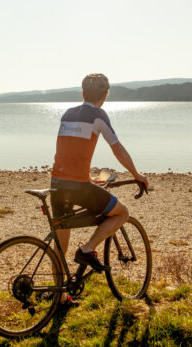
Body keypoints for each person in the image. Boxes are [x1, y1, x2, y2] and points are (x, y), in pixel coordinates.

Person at [50, 73, 149, 305]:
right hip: (77, 187)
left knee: (60, 247)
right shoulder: (98, 115)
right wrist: (137, 175)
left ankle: (60, 298)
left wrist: (86, 177)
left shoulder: (67, 114)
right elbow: (117, 148)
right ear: (104, 96)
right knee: (122, 213)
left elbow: (69, 152)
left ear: (83, 93)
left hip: (57, 184)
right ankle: (87, 249)